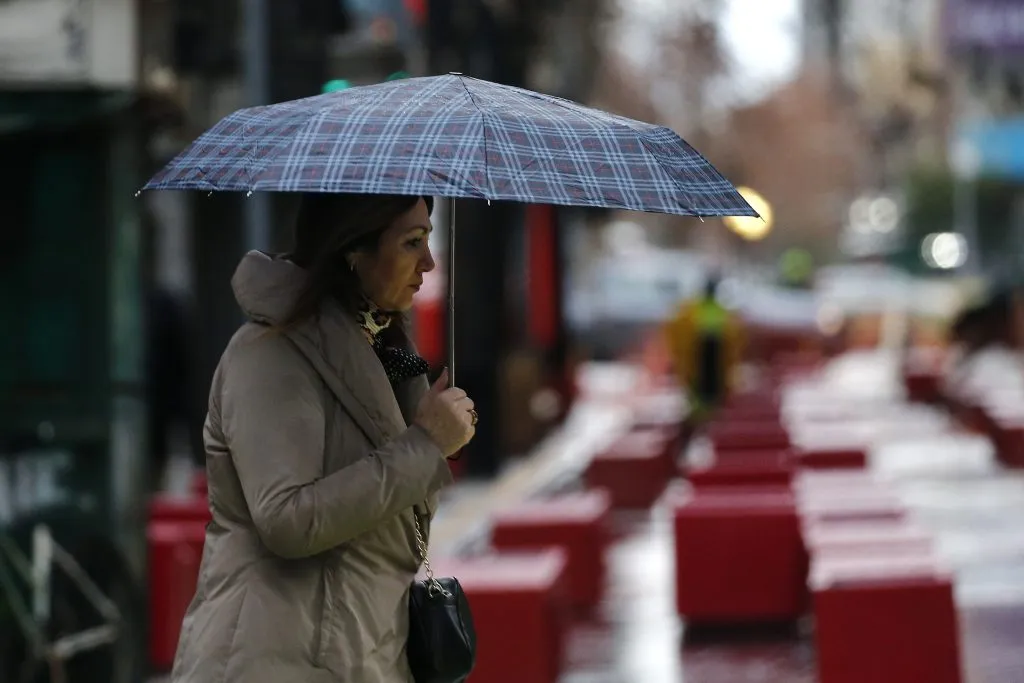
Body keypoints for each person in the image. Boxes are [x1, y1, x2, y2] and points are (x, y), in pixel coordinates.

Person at [170, 193, 477, 683]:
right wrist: (423, 445)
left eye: (429, 240)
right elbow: (287, 519)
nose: (429, 262)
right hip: (275, 660)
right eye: (412, 243)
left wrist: (431, 435)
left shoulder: (383, 351)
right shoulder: (270, 355)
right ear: (353, 251)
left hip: (356, 653)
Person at [664, 275, 744, 422]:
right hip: (707, 350)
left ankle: (704, 413)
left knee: (704, 385)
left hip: (708, 350)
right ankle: (704, 413)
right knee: (705, 385)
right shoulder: (713, 309)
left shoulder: (694, 308)